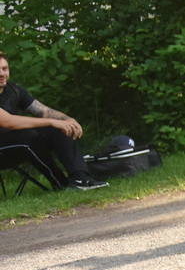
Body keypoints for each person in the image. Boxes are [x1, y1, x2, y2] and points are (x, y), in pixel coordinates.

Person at [0, 54, 107, 191]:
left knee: (60, 128)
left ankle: (80, 178)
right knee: (29, 137)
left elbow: (43, 111)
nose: (1, 73)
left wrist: (67, 120)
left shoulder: (13, 90)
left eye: (4, 68)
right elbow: (8, 121)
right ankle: (62, 185)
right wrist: (51, 122)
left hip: (16, 144)